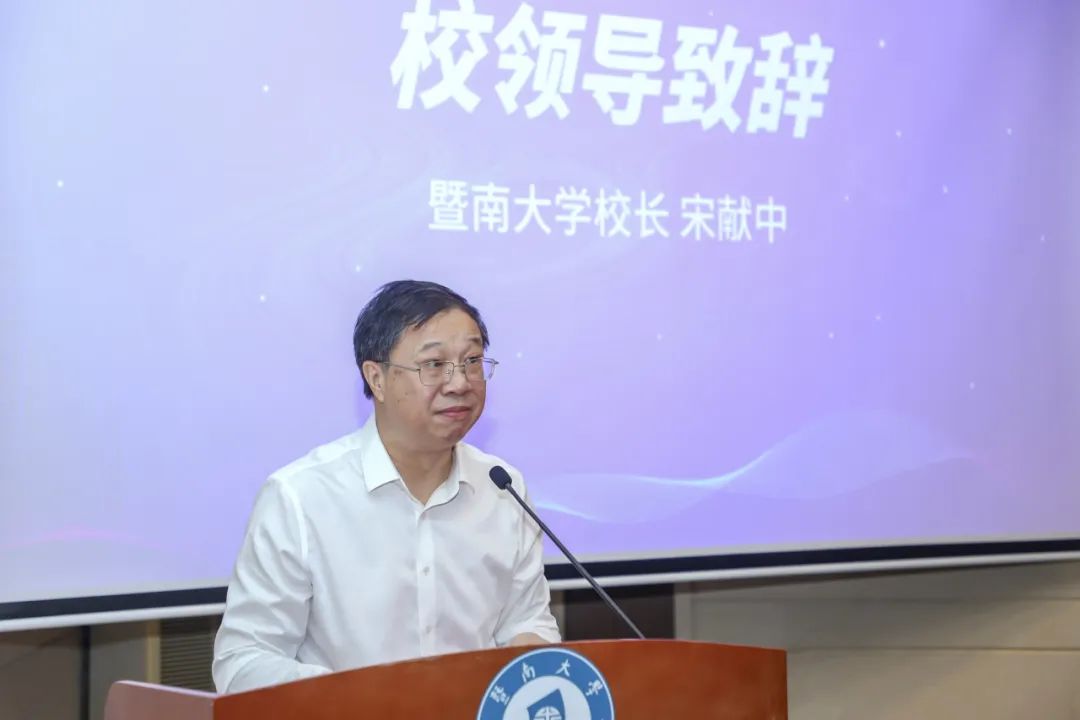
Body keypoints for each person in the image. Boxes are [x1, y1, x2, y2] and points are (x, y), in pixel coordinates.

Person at [212, 280, 560, 693]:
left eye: (472, 361)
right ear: (376, 378)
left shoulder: (502, 486)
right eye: (434, 364)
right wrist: (364, 697)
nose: (460, 383)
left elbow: (528, 622)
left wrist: (530, 648)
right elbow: (243, 662)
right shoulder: (301, 497)